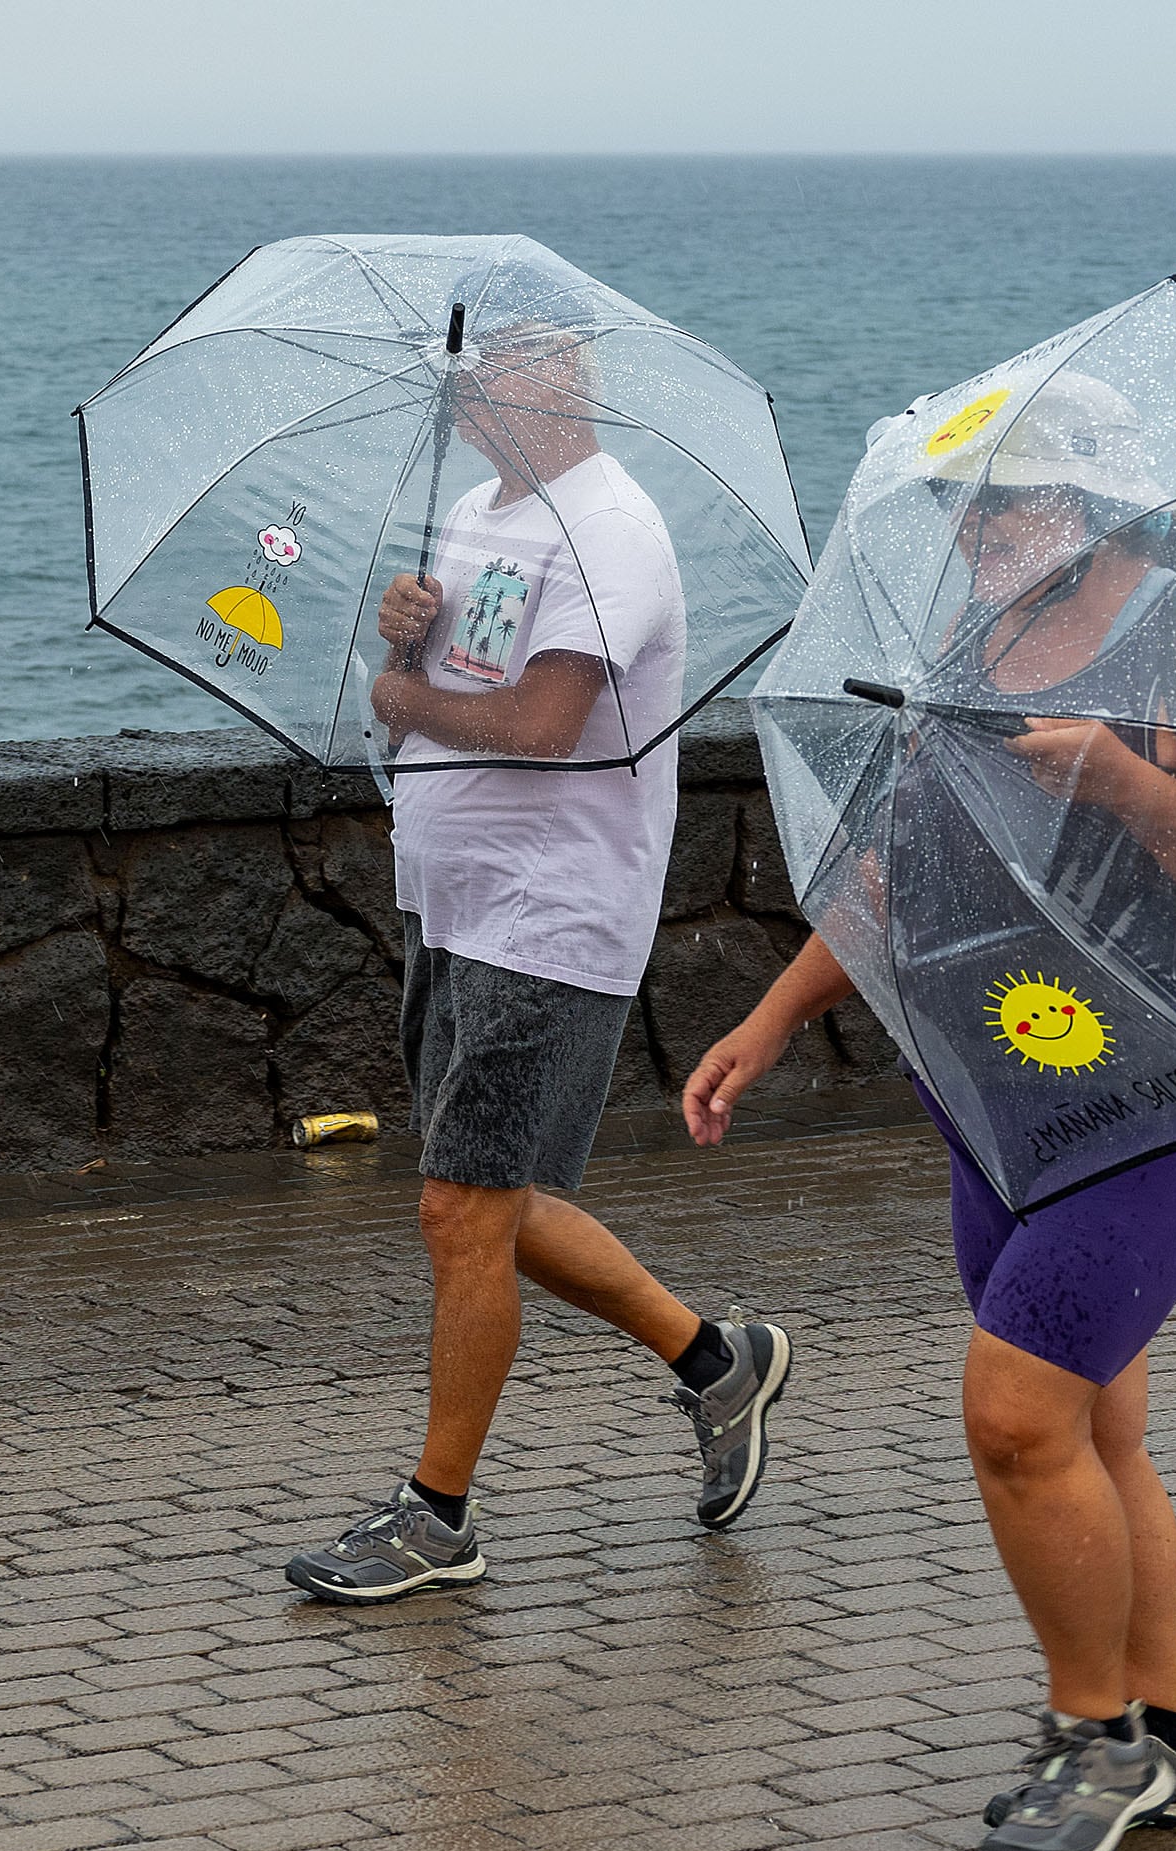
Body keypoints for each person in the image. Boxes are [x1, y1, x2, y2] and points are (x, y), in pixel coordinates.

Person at [683, 373, 1176, 1851]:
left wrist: (1119, 780)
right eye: (957, 505)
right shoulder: (964, 647)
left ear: (1094, 502)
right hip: (1001, 1085)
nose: (976, 530)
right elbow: (899, 867)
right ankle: (1163, 1734)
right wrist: (774, 1016)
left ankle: (1088, 1732)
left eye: (1010, 500)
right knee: (1097, 1427)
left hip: (1165, 1087)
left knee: (1015, 1416)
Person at [284, 296, 794, 1605]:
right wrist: (403, 637)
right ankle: (714, 1362)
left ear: (564, 385)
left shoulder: (610, 527)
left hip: (551, 914)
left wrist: (406, 693)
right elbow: (448, 686)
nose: (470, 402)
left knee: (461, 1208)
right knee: (493, 1200)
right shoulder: (476, 514)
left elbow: (546, 719)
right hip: (450, 900)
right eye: (466, 383)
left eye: (497, 376)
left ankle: (438, 1514)